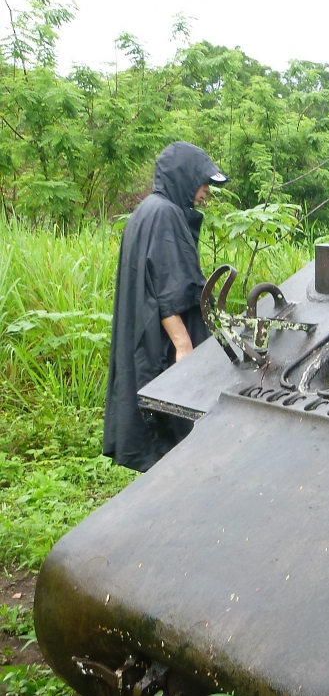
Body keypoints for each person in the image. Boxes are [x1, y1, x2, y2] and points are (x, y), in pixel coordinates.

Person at [103, 142, 227, 472]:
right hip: (166, 344)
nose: (205, 193)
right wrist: (184, 346)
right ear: (186, 178)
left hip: (144, 338)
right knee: (175, 428)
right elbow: (167, 291)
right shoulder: (166, 215)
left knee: (153, 421)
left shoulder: (147, 211)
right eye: (204, 184)